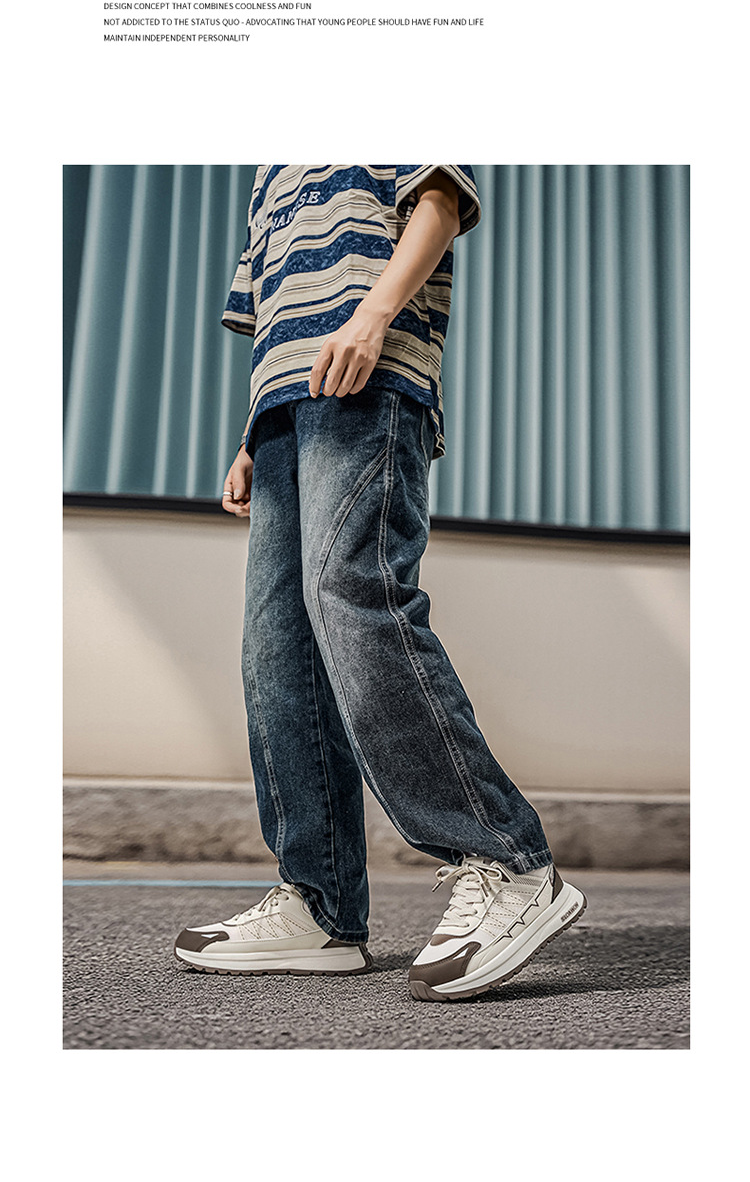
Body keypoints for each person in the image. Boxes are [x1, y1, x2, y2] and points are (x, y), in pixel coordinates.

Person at [173, 165, 586, 1001]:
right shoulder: (268, 173)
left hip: (370, 378)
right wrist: (255, 435)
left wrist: (374, 313)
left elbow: (440, 202)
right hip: (284, 410)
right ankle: (321, 906)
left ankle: (507, 860)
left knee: (354, 597)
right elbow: (276, 316)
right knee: (277, 650)